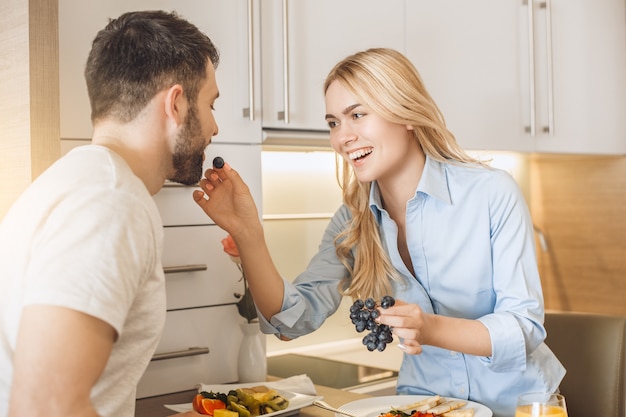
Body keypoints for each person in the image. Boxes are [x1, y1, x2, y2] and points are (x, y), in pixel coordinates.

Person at [193, 48, 565, 417]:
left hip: (518, 406)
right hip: (426, 406)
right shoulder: (352, 220)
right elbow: (292, 321)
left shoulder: (490, 193)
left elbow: (523, 328)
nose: (343, 137)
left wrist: (428, 327)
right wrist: (248, 232)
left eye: (357, 115)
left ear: (405, 113)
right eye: (334, 123)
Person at [0, 10, 220, 417]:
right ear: (175, 103)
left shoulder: (71, 182)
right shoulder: (112, 205)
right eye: (210, 104)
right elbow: (45, 406)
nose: (214, 127)